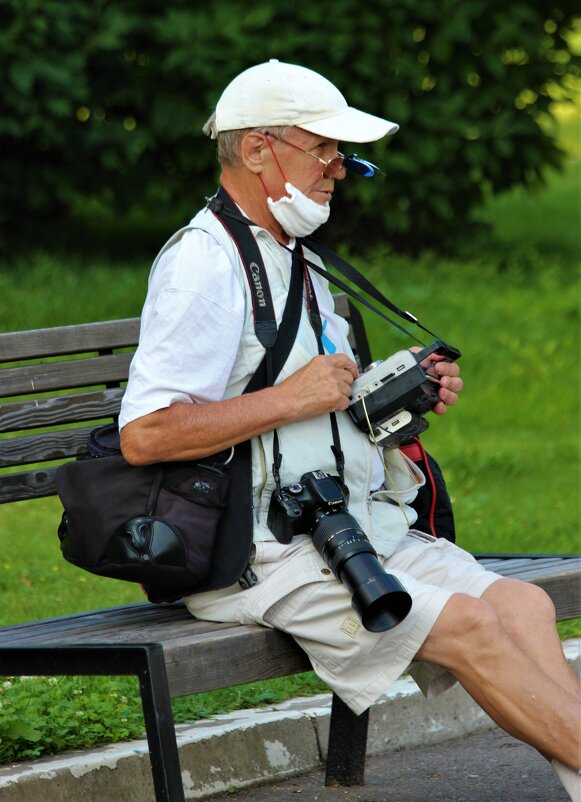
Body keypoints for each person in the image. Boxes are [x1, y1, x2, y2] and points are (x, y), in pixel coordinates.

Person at [119, 60, 580, 799]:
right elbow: (146, 434)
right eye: (323, 146)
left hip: (349, 526)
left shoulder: (294, 253)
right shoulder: (204, 264)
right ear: (258, 150)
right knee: (468, 626)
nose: (340, 166)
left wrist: (396, 393)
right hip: (261, 553)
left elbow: (319, 400)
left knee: (519, 605)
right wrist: (291, 398)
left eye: (342, 150)